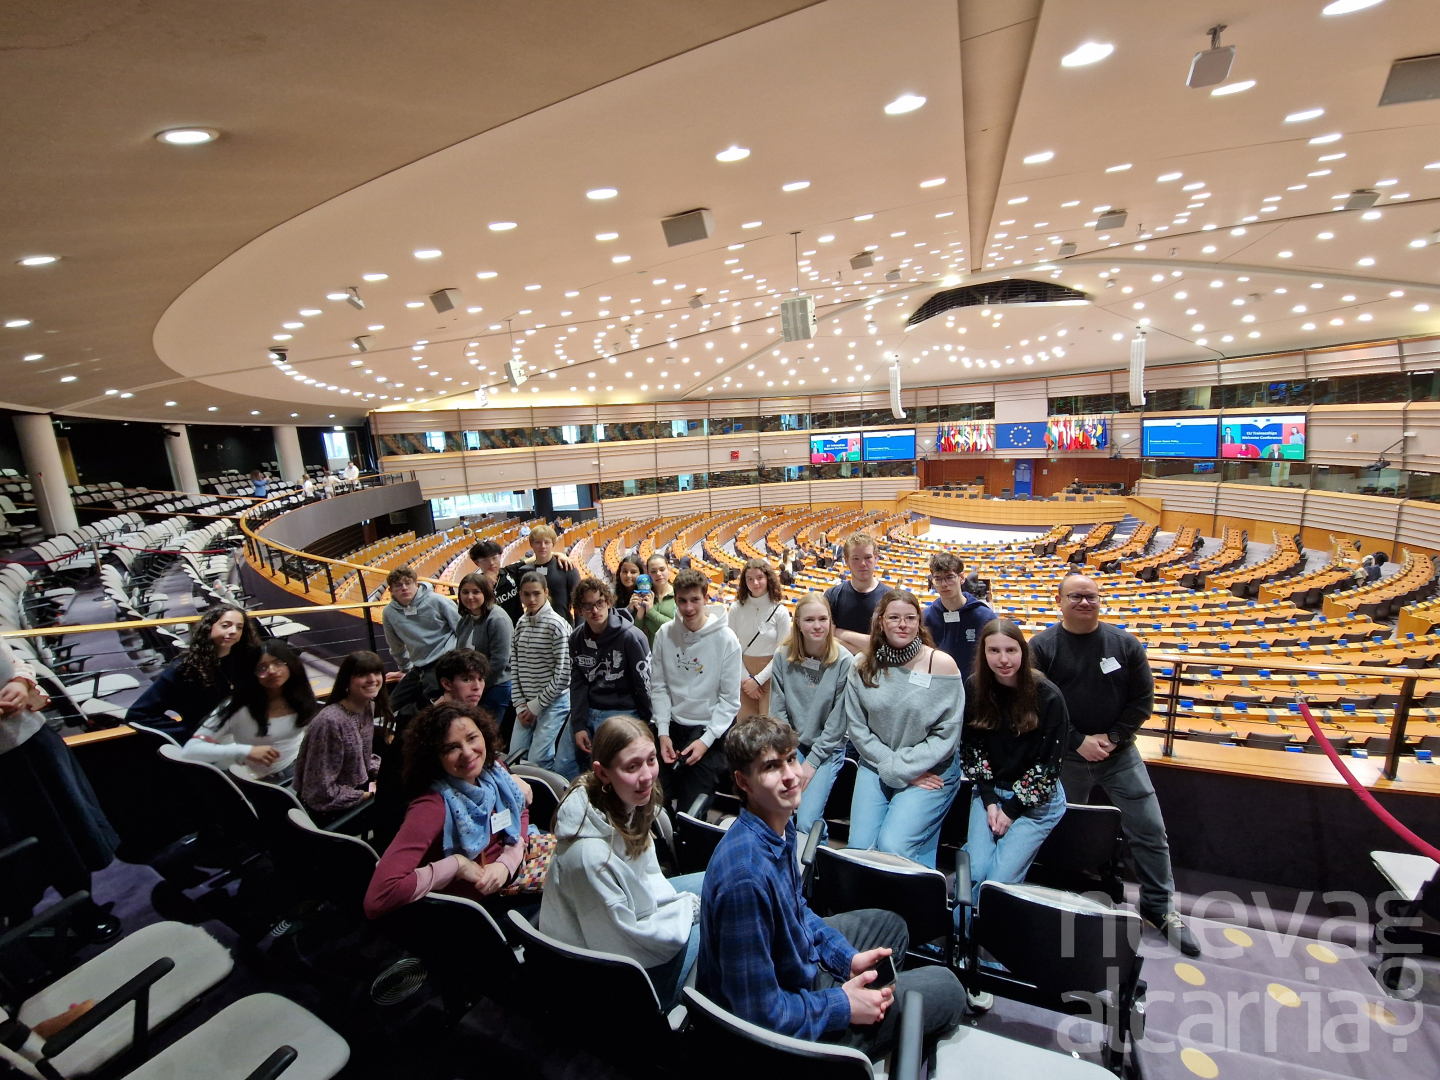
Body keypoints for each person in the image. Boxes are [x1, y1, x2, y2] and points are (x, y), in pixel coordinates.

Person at [697, 715, 963, 1058]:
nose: (791, 775)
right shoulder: (745, 880)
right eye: (772, 767)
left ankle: (860, 999)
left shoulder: (778, 824)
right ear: (743, 782)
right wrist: (842, 1005)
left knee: (892, 926)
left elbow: (796, 911)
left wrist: (846, 960)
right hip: (773, 1040)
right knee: (948, 988)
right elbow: (759, 1016)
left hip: (794, 976)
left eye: (791, 759)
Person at [1030, 572, 1200, 957]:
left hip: (1120, 756)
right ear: (1059, 601)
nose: (1084, 602)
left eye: (1091, 596)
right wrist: (1077, 740)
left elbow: (1142, 700)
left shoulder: (1125, 644)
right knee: (1062, 833)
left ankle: (1159, 906)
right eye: (1076, 596)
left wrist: (1114, 738)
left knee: (1150, 829)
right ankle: (1061, 901)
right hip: (1065, 757)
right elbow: (1036, 705)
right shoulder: (1042, 647)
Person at [540, 715, 702, 1010]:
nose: (647, 776)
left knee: (717, 884)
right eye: (632, 767)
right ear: (603, 773)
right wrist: (684, 913)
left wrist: (679, 909)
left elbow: (646, 878)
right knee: (721, 924)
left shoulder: (628, 802)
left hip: (634, 925)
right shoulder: (589, 857)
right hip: (614, 981)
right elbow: (621, 946)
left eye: (651, 760)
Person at [364, 702, 550, 917]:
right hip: (476, 909)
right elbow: (378, 898)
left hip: (511, 867)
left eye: (472, 738)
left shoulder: (493, 769)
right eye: (451, 747)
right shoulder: (431, 807)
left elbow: (519, 811)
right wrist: (456, 865)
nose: (468, 753)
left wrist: (507, 861)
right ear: (434, 755)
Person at [0, 636, 121, 943]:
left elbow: (14, 660)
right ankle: (24, 928)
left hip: (33, 739)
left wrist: (20, 682)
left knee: (70, 830)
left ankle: (83, 909)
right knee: (22, 852)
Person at [844, 590, 963, 868]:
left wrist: (907, 767)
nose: (902, 625)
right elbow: (858, 730)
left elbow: (947, 734)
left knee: (893, 847)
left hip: (931, 768)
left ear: (919, 622)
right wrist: (897, 768)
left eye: (910, 618)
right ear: (881, 622)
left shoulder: (941, 665)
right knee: (859, 850)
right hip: (877, 762)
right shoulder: (861, 665)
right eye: (894, 618)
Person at [960, 620, 1068, 915]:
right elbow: (972, 749)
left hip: (1035, 801)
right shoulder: (975, 687)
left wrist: (1010, 811)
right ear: (983, 653)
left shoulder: (1048, 696)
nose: (1003, 659)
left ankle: (985, 938)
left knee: (995, 883)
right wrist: (989, 800)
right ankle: (962, 933)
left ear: (1023, 651)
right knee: (977, 871)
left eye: (1011, 650)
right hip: (991, 791)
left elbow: (1048, 767)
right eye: (994, 650)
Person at [651, 569, 742, 813]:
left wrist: (705, 741)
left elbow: (729, 701)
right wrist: (662, 732)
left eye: (695, 600)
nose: (688, 608)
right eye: (682, 601)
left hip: (708, 731)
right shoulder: (664, 634)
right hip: (671, 727)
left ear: (706, 598)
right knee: (653, 803)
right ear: (675, 600)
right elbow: (659, 687)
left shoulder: (727, 640)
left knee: (690, 811)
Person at [769, 593, 852, 837]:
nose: (817, 626)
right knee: (780, 812)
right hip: (791, 746)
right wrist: (790, 756)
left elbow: (838, 723)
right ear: (797, 622)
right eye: (809, 620)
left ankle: (815, 855)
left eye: (822, 619)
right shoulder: (782, 655)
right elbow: (778, 711)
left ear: (830, 621)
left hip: (826, 749)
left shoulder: (845, 661)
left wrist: (812, 762)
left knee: (806, 822)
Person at [181, 640, 319, 783]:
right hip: (256, 779)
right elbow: (190, 751)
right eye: (262, 668)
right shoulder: (238, 707)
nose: (272, 671)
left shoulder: (300, 696)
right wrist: (244, 751)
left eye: (278, 663)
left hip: (295, 767)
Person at [125, 605, 262, 740]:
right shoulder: (185, 668)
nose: (233, 631)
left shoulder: (247, 660)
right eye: (226, 625)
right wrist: (188, 734)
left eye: (239, 627)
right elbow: (139, 714)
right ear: (209, 628)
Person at [295, 651, 391, 823]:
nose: (372, 679)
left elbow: (362, 757)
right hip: (331, 809)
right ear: (347, 680)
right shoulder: (330, 722)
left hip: (355, 790)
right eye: (362, 675)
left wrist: (382, 773)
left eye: (377, 673)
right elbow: (320, 791)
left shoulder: (367, 706)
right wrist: (367, 795)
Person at [568, 577, 651, 764]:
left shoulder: (631, 637)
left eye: (599, 603)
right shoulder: (576, 639)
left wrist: (646, 723)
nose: (595, 611)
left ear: (608, 602)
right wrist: (578, 725)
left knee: (609, 765)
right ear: (579, 610)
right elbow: (578, 684)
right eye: (587, 606)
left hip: (622, 710)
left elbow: (644, 684)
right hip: (589, 710)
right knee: (565, 766)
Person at [508, 571, 576, 777]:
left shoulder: (557, 625)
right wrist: (520, 704)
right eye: (526, 594)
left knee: (539, 759)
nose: (532, 599)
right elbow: (515, 667)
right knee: (514, 758)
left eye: (537, 593)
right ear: (520, 595)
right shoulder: (520, 624)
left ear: (546, 593)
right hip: (526, 704)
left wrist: (536, 706)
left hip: (553, 703)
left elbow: (564, 674)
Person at [381, 565, 460, 717]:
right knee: (390, 706)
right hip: (418, 668)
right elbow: (395, 646)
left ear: (416, 584)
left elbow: (462, 629)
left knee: (430, 706)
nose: (404, 588)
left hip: (445, 661)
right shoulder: (389, 613)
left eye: (408, 583)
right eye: (398, 585)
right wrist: (404, 669)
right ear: (391, 590)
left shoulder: (437, 601)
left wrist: (460, 659)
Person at [726, 558, 792, 720]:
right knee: (744, 727)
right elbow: (730, 647)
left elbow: (782, 652)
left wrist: (758, 680)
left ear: (768, 578)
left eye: (760, 577)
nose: (755, 583)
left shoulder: (780, 611)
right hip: (743, 676)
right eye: (750, 579)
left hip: (771, 676)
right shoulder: (736, 608)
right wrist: (746, 680)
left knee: (769, 727)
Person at [923, 552, 996, 678]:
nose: (944, 584)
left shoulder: (985, 617)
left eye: (949, 577)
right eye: (938, 579)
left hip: (974, 686)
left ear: (961, 578)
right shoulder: (925, 618)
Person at [454, 573, 513, 725]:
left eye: (476, 592)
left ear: (485, 593)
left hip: (496, 685)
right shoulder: (466, 618)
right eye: (465, 592)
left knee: (484, 731)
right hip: (473, 685)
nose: (470, 597)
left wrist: (479, 685)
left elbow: (499, 661)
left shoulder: (497, 618)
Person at [825, 533, 890, 654]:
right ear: (846, 561)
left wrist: (841, 633)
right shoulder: (832, 595)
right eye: (855, 558)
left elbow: (889, 644)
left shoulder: (890, 598)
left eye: (867, 557)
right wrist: (869, 648)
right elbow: (827, 640)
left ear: (876, 558)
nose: (862, 564)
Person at [516, 524, 580, 624]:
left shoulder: (567, 568)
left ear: (553, 544)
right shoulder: (523, 572)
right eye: (538, 542)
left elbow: (579, 602)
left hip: (563, 626)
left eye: (547, 542)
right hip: (534, 627)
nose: (543, 546)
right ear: (531, 545)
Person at [471, 539, 524, 623]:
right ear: (476, 563)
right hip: (494, 627)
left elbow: (536, 561)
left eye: (494, 558)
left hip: (518, 625)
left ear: (500, 556)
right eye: (485, 560)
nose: (491, 563)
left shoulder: (511, 571)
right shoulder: (475, 584)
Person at [634, 552, 676, 645]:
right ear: (647, 574)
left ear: (669, 569)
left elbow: (677, 627)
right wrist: (640, 612)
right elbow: (636, 632)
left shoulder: (678, 595)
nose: (658, 574)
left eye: (662, 569)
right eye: (653, 571)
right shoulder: (644, 596)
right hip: (652, 651)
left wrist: (651, 612)